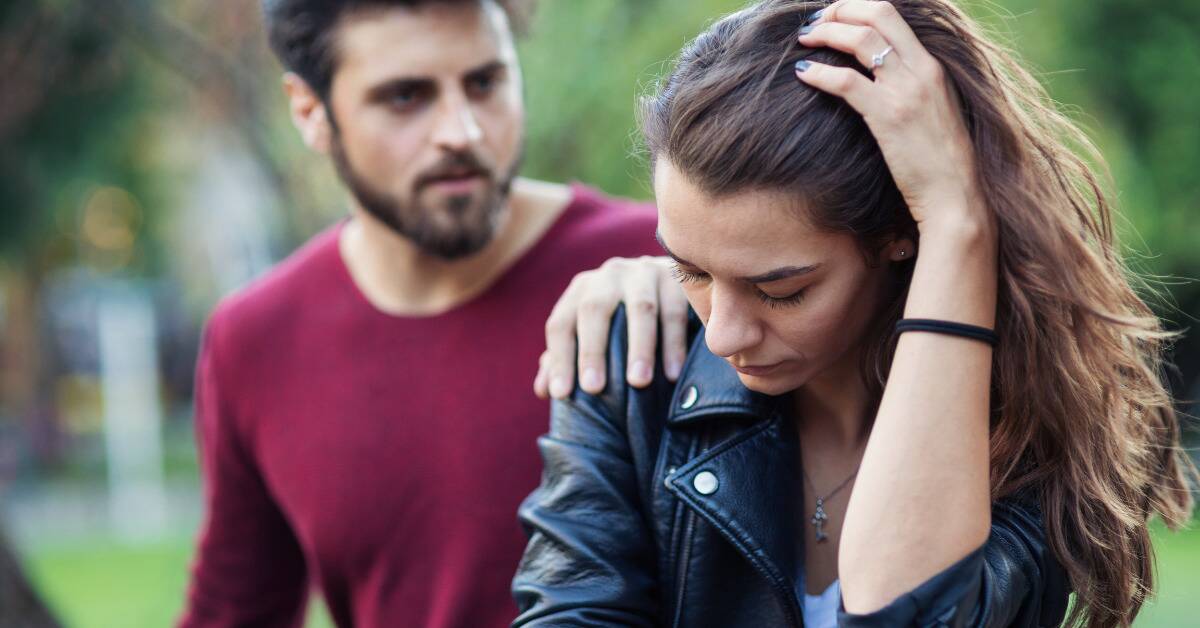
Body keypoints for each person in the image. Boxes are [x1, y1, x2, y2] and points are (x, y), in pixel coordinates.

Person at [512, 1, 1196, 626]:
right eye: (691, 270)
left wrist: (959, 223)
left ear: (900, 236)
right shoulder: (634, 352)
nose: (721, 333)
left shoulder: (1026, 425)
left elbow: (905, 611)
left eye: (781, 290)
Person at [178, 1, 690, 626]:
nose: (463, 132)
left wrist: (706, 284)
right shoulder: (254, 340)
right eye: (405, 97)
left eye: (485, 82)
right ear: (311, 112)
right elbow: (234, 611)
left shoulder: (665, 270)